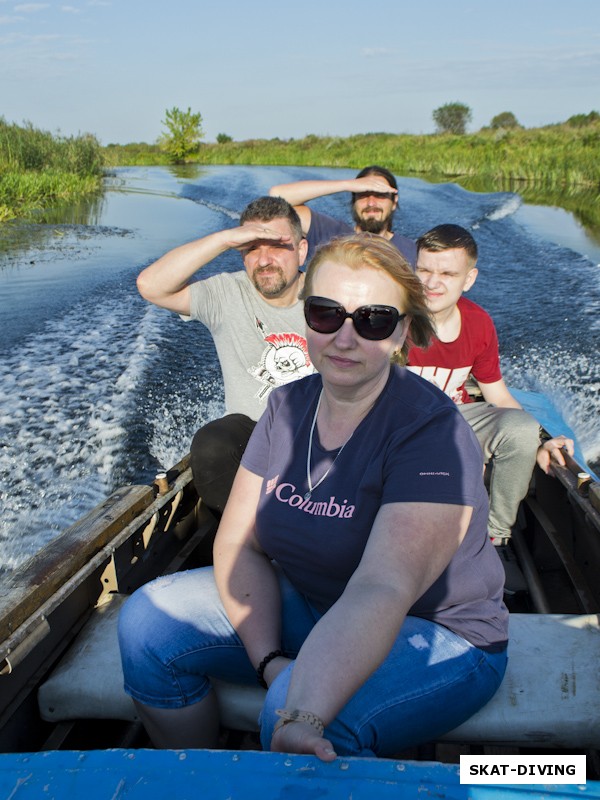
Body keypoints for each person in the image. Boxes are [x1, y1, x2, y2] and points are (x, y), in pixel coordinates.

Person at [119, 235, 509, 761]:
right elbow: (239, 546)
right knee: (145, 625)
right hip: (316, 604)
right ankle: (198, 777)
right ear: (305, 318)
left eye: (372, 321)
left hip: (441, 635)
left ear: (402, 333)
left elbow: (384, 587)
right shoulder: (285, 407)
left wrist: (303, 708)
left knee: (293, 711)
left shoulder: (430, 432)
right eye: (326, 313)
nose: (345, 338)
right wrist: (270, 659)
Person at [136, 196, 313, 514]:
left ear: (301, 250)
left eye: (276, 246)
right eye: (251, 248)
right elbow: (151, 285)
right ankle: (250, 537)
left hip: (319, 435)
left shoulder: (329, 295)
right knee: (212, 444)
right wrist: (225, 238)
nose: (263, 260)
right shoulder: (227, 293)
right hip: (251, 435)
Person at [407, 224, 574, 546]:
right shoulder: (394, 317)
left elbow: (496, 393)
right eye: (423, 270)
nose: (431, 282)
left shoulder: (479, 323)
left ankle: (495, 537)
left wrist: (541, 442)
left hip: (455, 417)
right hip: (400, 423)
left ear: (468, 279)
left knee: (520, 428)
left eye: (447, 274)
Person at [269, 165, 417, 265]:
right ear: (354, 200)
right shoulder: (331, 233)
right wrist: (345, 184)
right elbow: (277, 195)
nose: (371, 202)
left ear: (394, 201)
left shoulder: (411, 251)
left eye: (380, 195)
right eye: (363, 194)